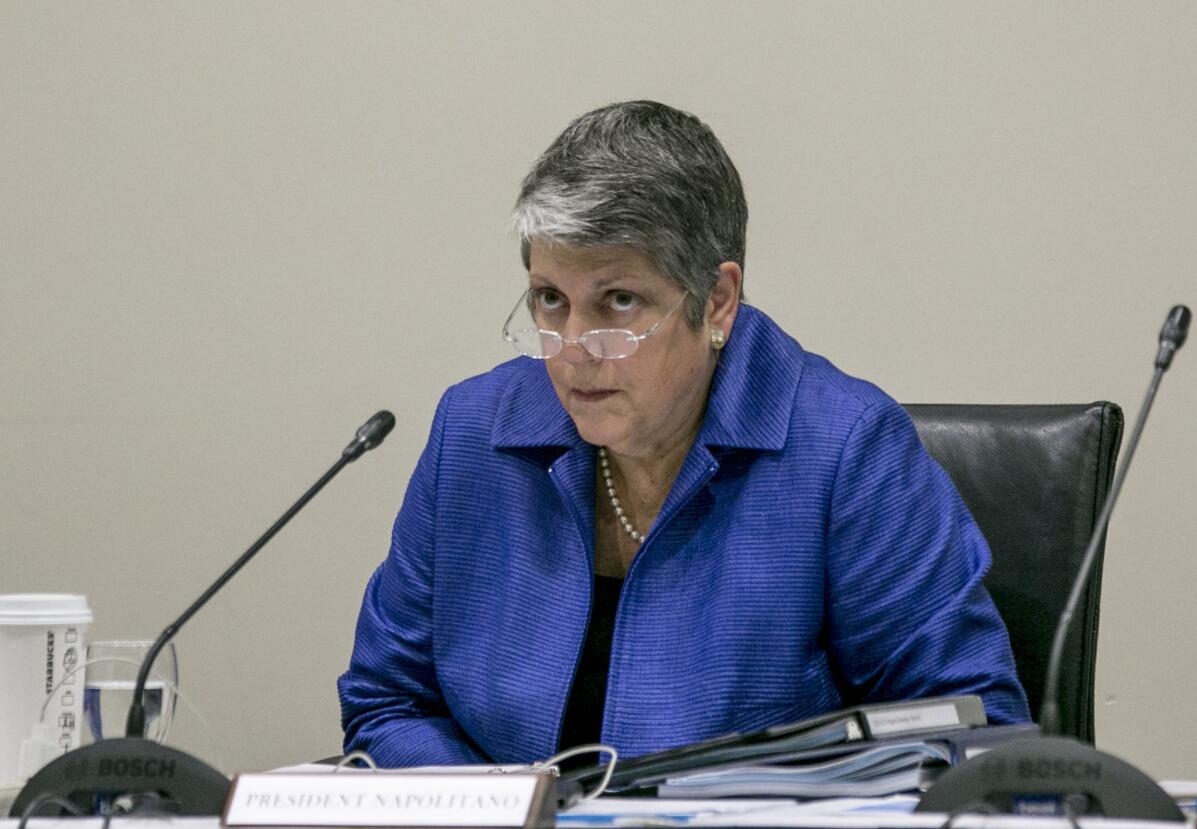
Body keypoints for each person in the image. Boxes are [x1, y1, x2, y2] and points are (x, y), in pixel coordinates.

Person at [337, 100, 1029, 768]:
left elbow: (972, 729)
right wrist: (494, 806)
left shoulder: (847, 453)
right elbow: (387, 701)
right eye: (551, 299)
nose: (574, 347)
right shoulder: (473, 436)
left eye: (619, 301)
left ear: (718, 301)